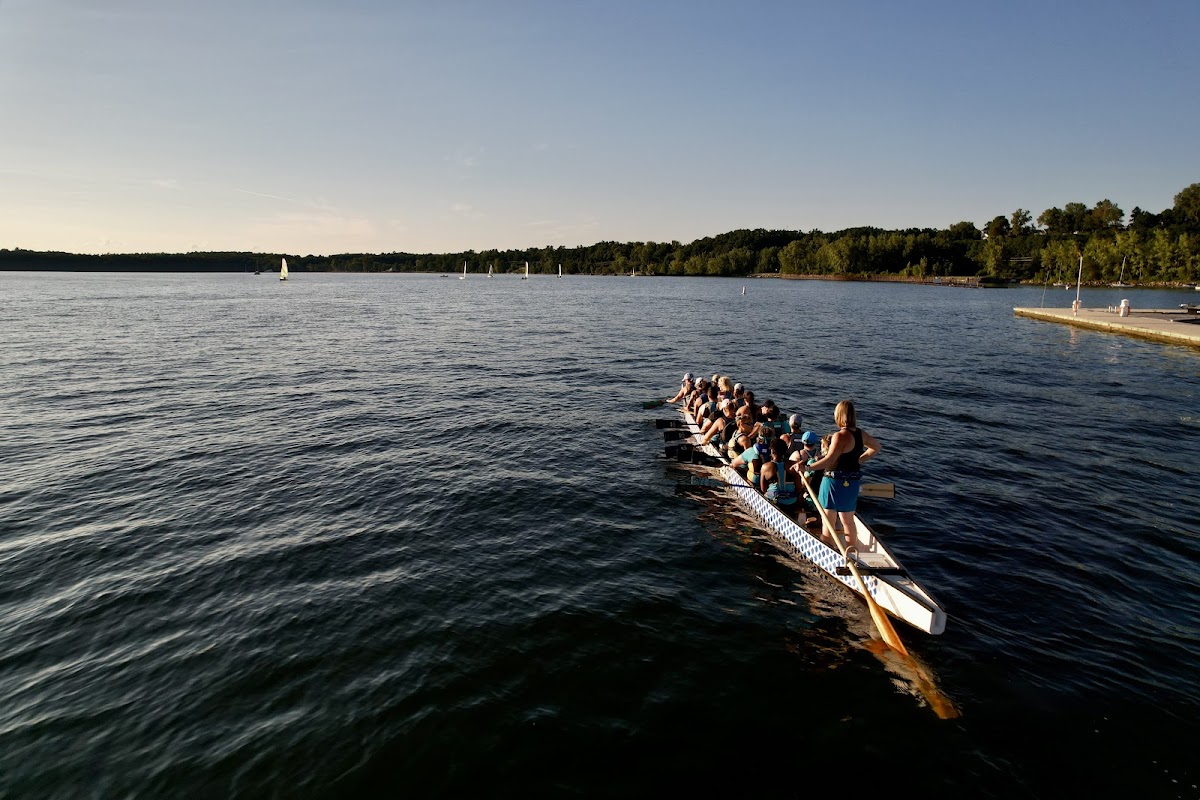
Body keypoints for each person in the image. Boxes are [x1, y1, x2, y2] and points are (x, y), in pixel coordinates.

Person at [803, 400, 881, 550]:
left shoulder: (839, 436)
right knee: (848, 521)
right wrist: (859, 460)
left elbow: (829, 460)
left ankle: (828, 549)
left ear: (839, 415)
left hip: (833, 482)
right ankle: (851, 551)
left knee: (828, 521)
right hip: (852, 482)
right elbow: (876, 447)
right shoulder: (861, 434)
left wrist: (806, 467)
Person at [760, 439, 799, 519]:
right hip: (791, 502)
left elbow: (763, 489)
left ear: (772, 451)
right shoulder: (794, 465)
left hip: (774, 501)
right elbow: (798, 487)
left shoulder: (765, 467)